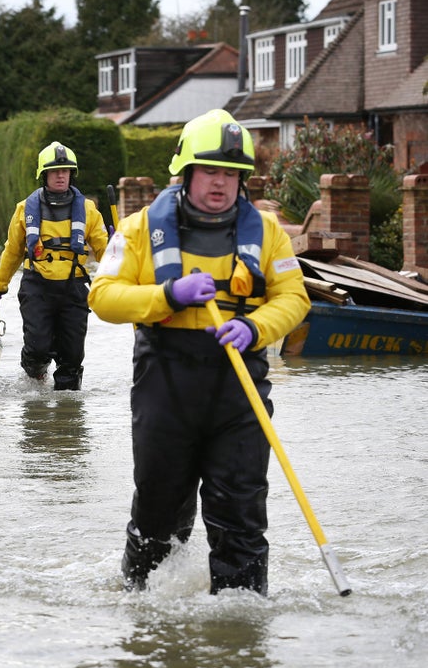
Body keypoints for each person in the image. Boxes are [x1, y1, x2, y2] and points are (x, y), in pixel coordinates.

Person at [87, 109, 310, 595]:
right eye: (210, 170)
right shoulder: (139, 228)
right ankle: (143, 609)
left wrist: (254, 327)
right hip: (165, 385)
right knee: (158, 513)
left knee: (242, 516)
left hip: (239, 388)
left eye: (232, 174)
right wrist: (168, 296)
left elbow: (295, 298)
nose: (221, 183)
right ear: (185, 172)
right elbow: (102, 296)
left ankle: (241, 622)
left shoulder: (268, 233)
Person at [0, 141, 108, 391]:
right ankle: (35, 375)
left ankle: (67, 415)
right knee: (38, 348)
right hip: (37, 286)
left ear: (71, 174)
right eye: (55, 171)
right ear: (44, 175)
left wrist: (118, 254)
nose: (61, 175)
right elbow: (12, 251)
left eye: (65, 170)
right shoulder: (24, 209)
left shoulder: (88, 210)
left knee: (72, 357)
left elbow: (104, 250)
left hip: (73, 288)